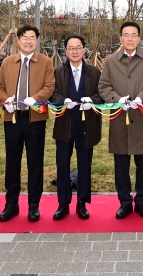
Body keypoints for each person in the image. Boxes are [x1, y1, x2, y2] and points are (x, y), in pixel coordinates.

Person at [98, 21, 143, 219]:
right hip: (120, 118)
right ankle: (124, 202)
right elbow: (104, 86)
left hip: (142, 117)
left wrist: (140, 99)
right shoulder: (110, 61)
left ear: (139, 38)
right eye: (126, 35)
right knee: (121, 164)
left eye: (134, 35)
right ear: (120, 38)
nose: (130, 39)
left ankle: (141, 201)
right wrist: (118, 100)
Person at [0, 25, 55, 222]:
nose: (28, 41)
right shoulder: (7, 63)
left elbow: (50, 86)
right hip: (12, 118)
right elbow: (0, 87)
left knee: (35, 162)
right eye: (24, 37)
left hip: (35, 118)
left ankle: (33, 205)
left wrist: (36, 98)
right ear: (18, 40)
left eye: (32, 37)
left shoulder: (46, 62)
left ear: (37, 41)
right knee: (12, 162)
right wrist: (6, 102)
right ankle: (11, 204)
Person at [51, 35, 102, 220]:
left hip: (87, 125)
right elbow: (52, 93)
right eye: (71, 48)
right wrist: (61, 101)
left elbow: (101, 94)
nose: (74, 51)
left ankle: (82, 202)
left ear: (84, 50)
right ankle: (63, 203)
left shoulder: (94, 72)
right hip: (65, 123)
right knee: (62, 164)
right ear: (66, 51)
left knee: (84, 164)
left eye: (78, 47)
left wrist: (93, 101)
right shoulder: (58, 72)